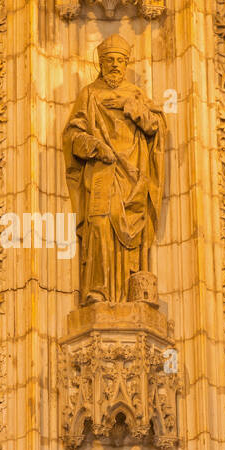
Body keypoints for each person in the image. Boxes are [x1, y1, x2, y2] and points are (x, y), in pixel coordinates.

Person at [63, 36, 166, 304]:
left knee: (132, 234)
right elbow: (73, 134)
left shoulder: (135, 94)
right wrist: (94, 145)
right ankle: (98, 288)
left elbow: (156, 127)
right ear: (101, 63)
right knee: (98, 224)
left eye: (120, 61)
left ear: (127, 63)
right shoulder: (89, 94)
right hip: (101, 171)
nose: (115, 65)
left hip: (133, 175)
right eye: (110, 60)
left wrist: (136, 111)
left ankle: (131, 291)